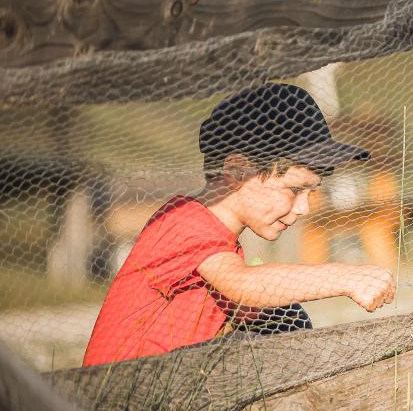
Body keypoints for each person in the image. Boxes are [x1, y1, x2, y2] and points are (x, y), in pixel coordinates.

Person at [83, 83, 396, 366]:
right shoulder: (183, 219)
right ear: (237, 170)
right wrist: (346, 276)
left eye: (312, 193)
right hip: (118, 397)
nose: (304, 208)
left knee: (282, 318)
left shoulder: (224, 244)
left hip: (163, 385)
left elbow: (244, 302)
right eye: (295, 189)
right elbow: (245, 287)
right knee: (281, 320)